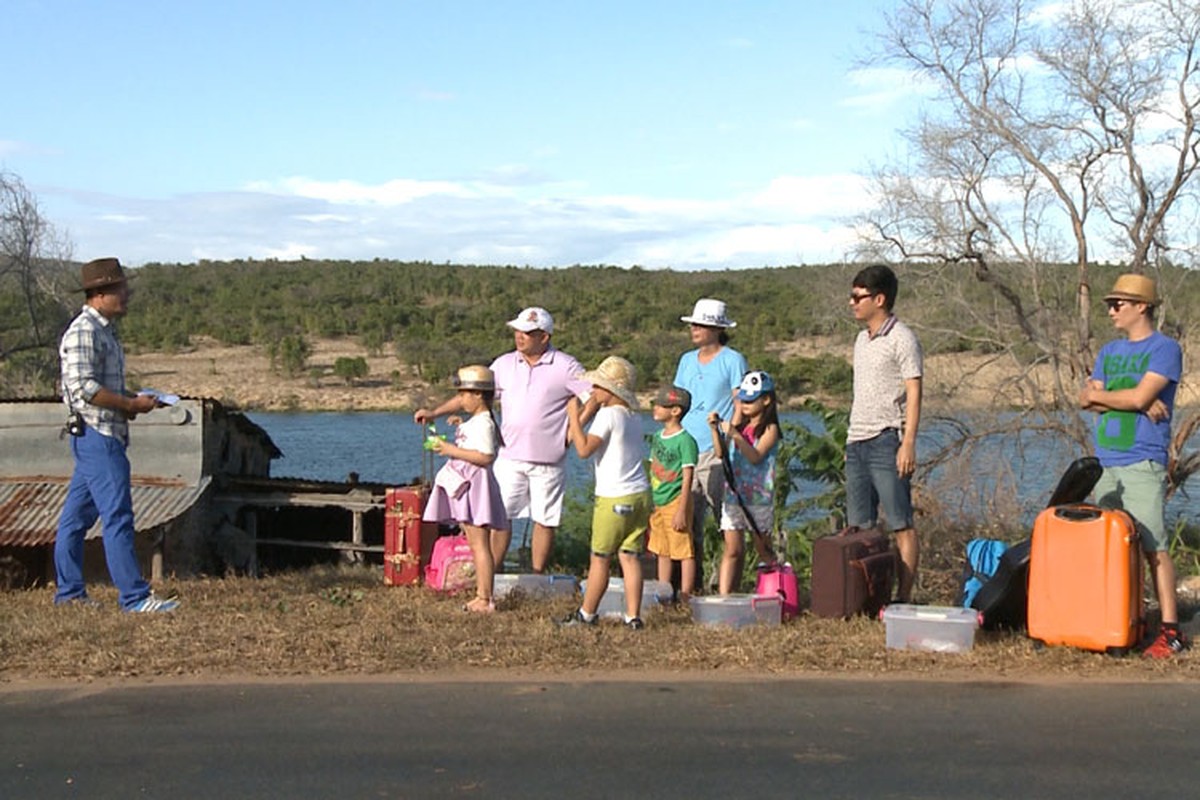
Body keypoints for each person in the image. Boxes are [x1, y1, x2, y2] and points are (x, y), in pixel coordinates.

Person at [415, 307, 591, 573]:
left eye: (527, 333)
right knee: (500, 518)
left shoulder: (566, 366)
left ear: (544, 337)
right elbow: (473, 395)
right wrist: (435, 412)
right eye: (517, 331)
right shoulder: (503, 364)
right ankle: (492, 574)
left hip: (550, 460)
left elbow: (594, 398)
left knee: (545, 520)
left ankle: (536, 577)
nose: (519, 337)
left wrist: (572, 431)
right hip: (509, 458)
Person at [54, 257, 179, 612]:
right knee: (118, 515)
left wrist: (132, 404)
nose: (126, 294)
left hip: (100, 433)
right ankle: (134, 598)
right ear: (98, 294)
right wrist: (128, 404)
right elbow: (84, 389)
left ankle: (69, 595)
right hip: (98, 435)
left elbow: (96, 388)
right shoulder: (84, 332)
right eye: (119, 289)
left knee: (75, 520)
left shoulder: (103, 330)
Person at [1079, 274, 1188, 658]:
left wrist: (1124, 397)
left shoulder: (1165, 349)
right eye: (1110, 304)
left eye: (1118, 304)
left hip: (1142, 461)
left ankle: (1171, 631)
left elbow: (1135, 394)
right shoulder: (1109, 352)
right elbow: (1085, 399)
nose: (1111, 311)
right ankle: (1118, 623)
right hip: (1106, 463)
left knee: (1152, 546)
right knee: (1110, 549)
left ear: (1141, 306)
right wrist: (1134, 400)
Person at [845, 264, 923, 603]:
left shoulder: (902, 338)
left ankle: (901, 600)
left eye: (858, 296)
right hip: (856, 441)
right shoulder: (862, 340)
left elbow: (915, 392)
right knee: (860, 527)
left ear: (880, 298)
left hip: (887, 439)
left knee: (900, 523)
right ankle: (866, 597)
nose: (852, 303)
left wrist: (907, 443)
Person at [561, 356, 653, 629]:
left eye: (597, 386)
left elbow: (584, 449)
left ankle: (586, 614)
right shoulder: (633, 417)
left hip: (614, 496)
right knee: (630, 556)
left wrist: (574, 419)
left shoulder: (608, 414)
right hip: (640, 494)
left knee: (600, 558)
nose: (592, 390)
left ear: (610, 391)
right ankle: (633, 617)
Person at [422, 365, 509, 613]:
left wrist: (449, 449)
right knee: (474, 542)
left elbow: (485, 456)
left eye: (464, 395)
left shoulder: (484, 424)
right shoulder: (479, 422)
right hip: (468, 485)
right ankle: (482, 595)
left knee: (479, 543)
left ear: (478, 395)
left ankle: (485, 597)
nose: (461, 399)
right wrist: (461, 426)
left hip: (474, 486)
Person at [674, 298, 748, 584]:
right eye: (694, 323)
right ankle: (689, 585)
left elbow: (740, 401)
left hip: (718, 451)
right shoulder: (686, 360)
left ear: (716, 329)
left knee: (726, 522)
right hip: (687, 450)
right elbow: (678, 400)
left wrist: (730, 437)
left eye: (701, 324)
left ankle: (726, 584)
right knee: (687, 520)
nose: (694, 328)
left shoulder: (733, 360)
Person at [707, 371, 781, 595]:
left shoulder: (770, 429)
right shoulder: (739, 427)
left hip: (758, 498)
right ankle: (724, 596)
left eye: (750, 400)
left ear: (766, 400)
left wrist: (736, 435)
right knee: (732, 549)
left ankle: (773, 591)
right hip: (733, 496)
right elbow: (721, 453)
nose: (745, 404)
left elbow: (756, 456)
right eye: (742, 400)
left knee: (763, 550)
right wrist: (715, 430)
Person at [646, 386, 699, 601]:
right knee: (662, 549)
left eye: (661, 405)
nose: (655, 408)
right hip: (659, 501)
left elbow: (688, 477)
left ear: (676, 410)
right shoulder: (658, 436)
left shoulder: (685, 440)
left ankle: (686, 595)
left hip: (676, 500)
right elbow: (653, 468)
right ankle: (663, 592)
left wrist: (681, 509)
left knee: (683, 550)